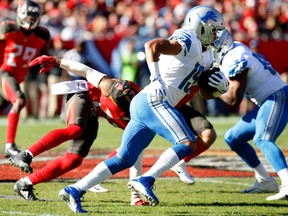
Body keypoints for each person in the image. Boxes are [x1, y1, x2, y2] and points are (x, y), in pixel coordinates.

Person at [55, 5, 228, 213]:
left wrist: (217, 86)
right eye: (214, 29)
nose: (216, 34)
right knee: (187, 142)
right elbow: (152, 46)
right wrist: (156, 77)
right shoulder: (188, 40)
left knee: (123, 159)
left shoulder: (205, 53)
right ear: (200, 26)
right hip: (154, 99)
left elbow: (203, 90)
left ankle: (74, 189)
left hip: (147, 104)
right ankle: (145, 180)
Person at [8, 56, 143, 203]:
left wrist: (135, 196)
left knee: (73, 160)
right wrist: (55, 61)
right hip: (83, 94)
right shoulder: (108, 86)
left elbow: (134, 153)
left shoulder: (135, 118)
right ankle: (26, 154)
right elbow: (86, 70)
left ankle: (25, 184)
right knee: (75, 129)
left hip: (93, 112)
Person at [213, 29, 288, 200]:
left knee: (263, 139)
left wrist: (216, 93)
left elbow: (234, 99)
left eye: (211, 44)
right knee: (233, 137)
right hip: (267, 100)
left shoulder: (234, 57)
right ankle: (265, 180)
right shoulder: (235, 50)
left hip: (277, 96)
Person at [0, 0, 50, 157]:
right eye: (27, 18)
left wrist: (45, 64)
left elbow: (44, 55)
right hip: (4, 73)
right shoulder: (8, 28)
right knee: (20, 100)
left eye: (33, 19)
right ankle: (9, 144)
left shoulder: (42, 34)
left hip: (17, 77)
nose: (29, 22)